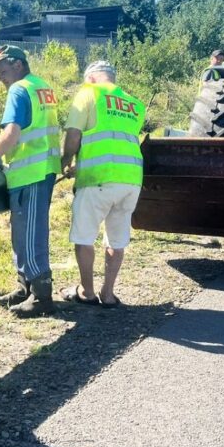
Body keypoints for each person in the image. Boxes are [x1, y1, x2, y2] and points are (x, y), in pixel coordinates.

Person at [60, 60, 146, 308]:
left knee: (84, 237)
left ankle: (86, 292)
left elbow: (75, 134)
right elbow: (113, 141)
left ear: (90, 78)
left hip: (97, 180)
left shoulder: (88, 92)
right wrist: (83, 164)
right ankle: (108, 294)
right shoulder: (134, 104)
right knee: (117, 240)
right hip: (131, 180)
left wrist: (66, 161)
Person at [0, 45, 61, 318]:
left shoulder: (19, 89)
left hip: (30, 173)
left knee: (30, 233)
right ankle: (24, 286)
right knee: (26, 230)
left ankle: (41, 295)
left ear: (17, 64)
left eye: (2, 70)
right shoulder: (43, 86)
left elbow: (13, 131)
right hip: (44, 169)